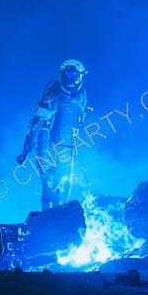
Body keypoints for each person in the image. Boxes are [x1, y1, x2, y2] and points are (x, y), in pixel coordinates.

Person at [15, 59, 89, 210]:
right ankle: (47, 220)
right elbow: (38, 121)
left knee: (63, 185)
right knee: (49, 186)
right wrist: (26, 148)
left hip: (67, 145)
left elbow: (78, 120)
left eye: (73, 75)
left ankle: (58, 218)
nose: (71, 78)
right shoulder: (53, 94)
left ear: (80, 76)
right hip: (47, 143)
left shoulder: (81, 95)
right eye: (67, 74)